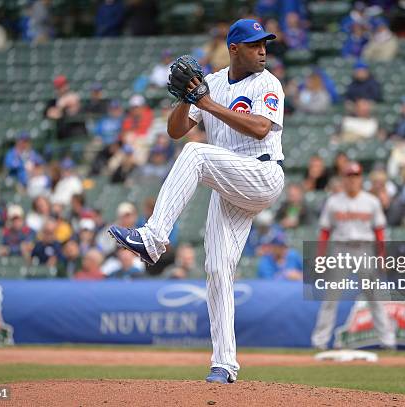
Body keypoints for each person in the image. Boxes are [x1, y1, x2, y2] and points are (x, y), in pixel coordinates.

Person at [108, 19, 285, 384]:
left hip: (262, 175)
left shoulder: (268, 83)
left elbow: (260, 128)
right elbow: (175, 130)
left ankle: (153, 239)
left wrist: (205, 102)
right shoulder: (215, 82)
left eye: (265, 43)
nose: (263, 50)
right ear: (234, 49)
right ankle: (224, 364)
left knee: (196, 155)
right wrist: (185, 100)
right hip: (230, 186)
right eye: (254, 45)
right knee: (218, 269)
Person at [311, 161, 396, 350]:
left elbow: (379, 231)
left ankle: (388, 341)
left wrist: (382, 256)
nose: (352, 180)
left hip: (364, 249)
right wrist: (320, 256)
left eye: (355, 176)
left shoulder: (371, 201)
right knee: (330, 299)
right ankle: (320, 341)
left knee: (374, 297)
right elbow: (325, 231)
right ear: (344, 179)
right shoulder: (334, 201)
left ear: (360, 179)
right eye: (349, 176)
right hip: (340, 249)